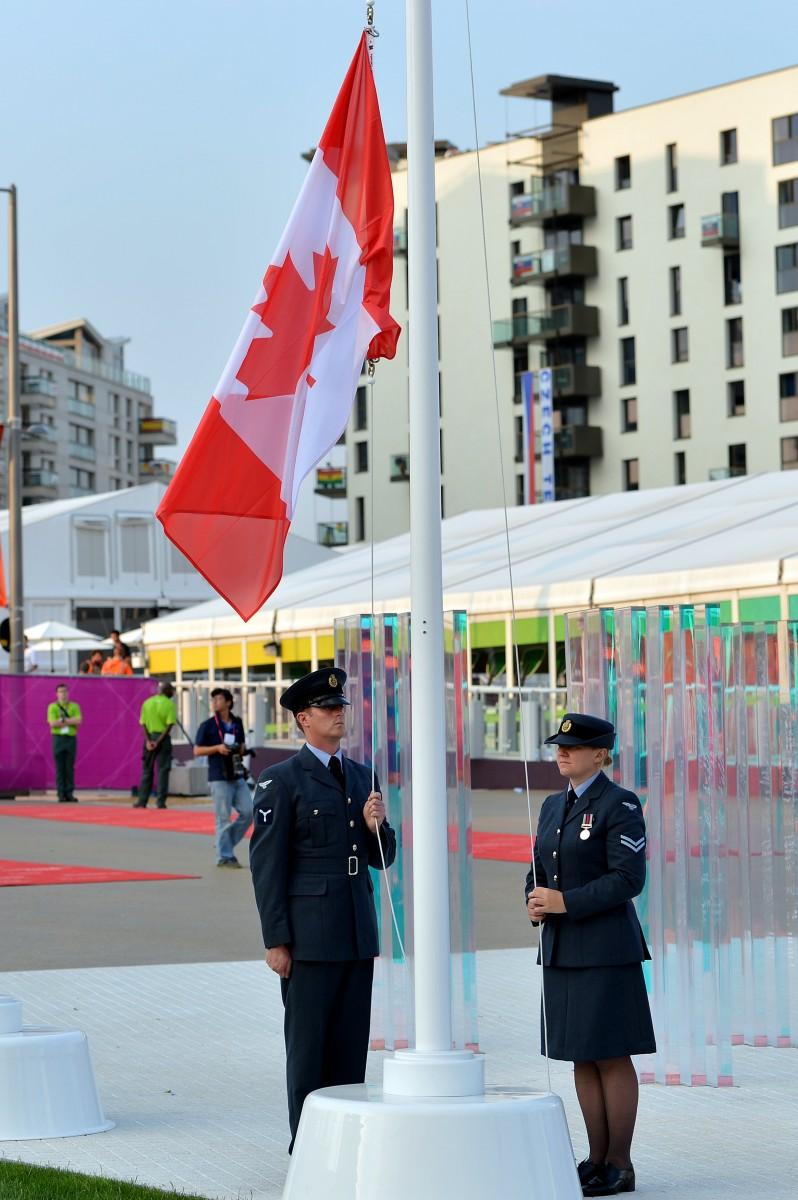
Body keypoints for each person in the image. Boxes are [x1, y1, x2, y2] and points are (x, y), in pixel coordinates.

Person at [249, 667, 396, 1152]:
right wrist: (276, 939)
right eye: (327, 709)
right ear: (302, 719)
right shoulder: (281, 781)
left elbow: (382, 858)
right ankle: (309, 1144)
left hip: (355, 929)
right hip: (309, 936)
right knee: (309, 1048)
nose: (337, 715)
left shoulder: (361, 775)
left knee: (349, 1046)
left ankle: (346, 1139)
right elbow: (267, 866)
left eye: (340, 708)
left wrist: (378, 827)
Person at [525, 713, 655, 1198]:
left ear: (600, 753)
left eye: (573, 747)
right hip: (561, 946)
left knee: (611, 1054)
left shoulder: (619, 804)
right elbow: (538, 865)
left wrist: (566, 902)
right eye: (558, 745)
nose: (561, 752)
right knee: (581, 1054)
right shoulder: (553, 806)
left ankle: (620, 1163)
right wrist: (535, 901)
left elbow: (628, 879)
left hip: (604, 948)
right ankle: (595, 1159)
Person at [194, 688, 253, 868]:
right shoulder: (208, 725)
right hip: (219, 775)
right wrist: (217, 748)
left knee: (249, 812)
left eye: (219, 699)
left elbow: (242, 745)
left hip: (236, 773)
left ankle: (223, 844)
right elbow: (197, 750)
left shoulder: (237, 722)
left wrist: (239, 749)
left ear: (228, 702)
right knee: (223, 818)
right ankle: (224, 856)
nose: (215, 702)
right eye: (213, 700)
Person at [134, 682, 176, 809]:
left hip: (149, 737)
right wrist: (158, 741)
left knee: (147, 770)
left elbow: (143, 723)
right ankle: (160, 802)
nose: (173, 693)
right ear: (166, 690)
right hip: (163, 740)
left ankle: (142, 801)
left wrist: (148, 741)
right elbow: (169, 725)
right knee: (163, 770)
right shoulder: (169, 704)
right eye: (172, 691)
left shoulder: (147, 703)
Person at [46, 683, 82, 803]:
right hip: (58, 738)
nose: (63, 694)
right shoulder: (52, 707)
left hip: (70, 738)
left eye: (65, 691)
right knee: (60, 767)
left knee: (69, 767)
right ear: (57, 694)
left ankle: (69, 793)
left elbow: (78, 720)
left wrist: (63, 720)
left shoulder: (74, 706)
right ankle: (61, 793)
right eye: (61, 692)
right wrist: (68, 721)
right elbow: (52, 723)